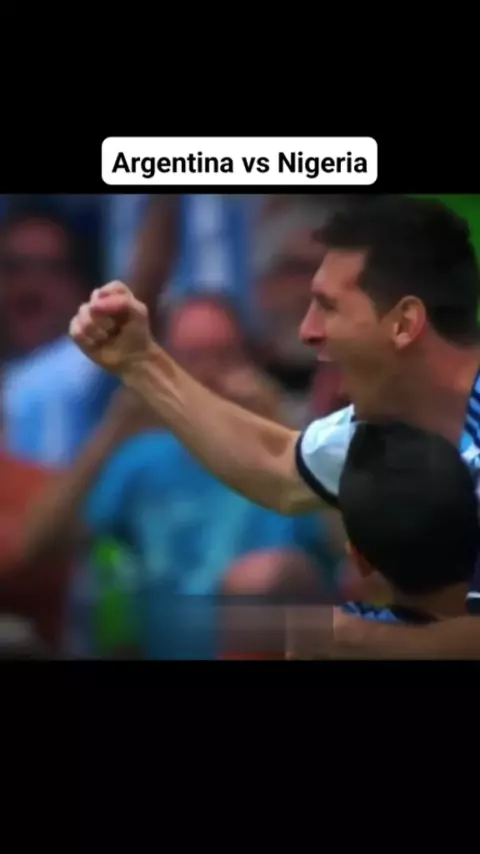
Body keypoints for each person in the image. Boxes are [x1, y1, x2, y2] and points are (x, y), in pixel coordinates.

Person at [69, 195, 480, 658]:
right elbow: (279, 465)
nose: (308, 330)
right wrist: (141, 362)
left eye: (328, 307)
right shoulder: (388, 422)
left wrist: (361, 638)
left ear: (404, 323)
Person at [25, 297, 337, 659]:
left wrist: (277, 422)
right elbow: (39, 545)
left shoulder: (287, 456)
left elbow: (347, 546)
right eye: (190, 359)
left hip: (268, 648)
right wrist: (115, 426)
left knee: (268, 573)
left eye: (224, 357)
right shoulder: (142, 460)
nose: (207, 375)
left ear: (251, 362)